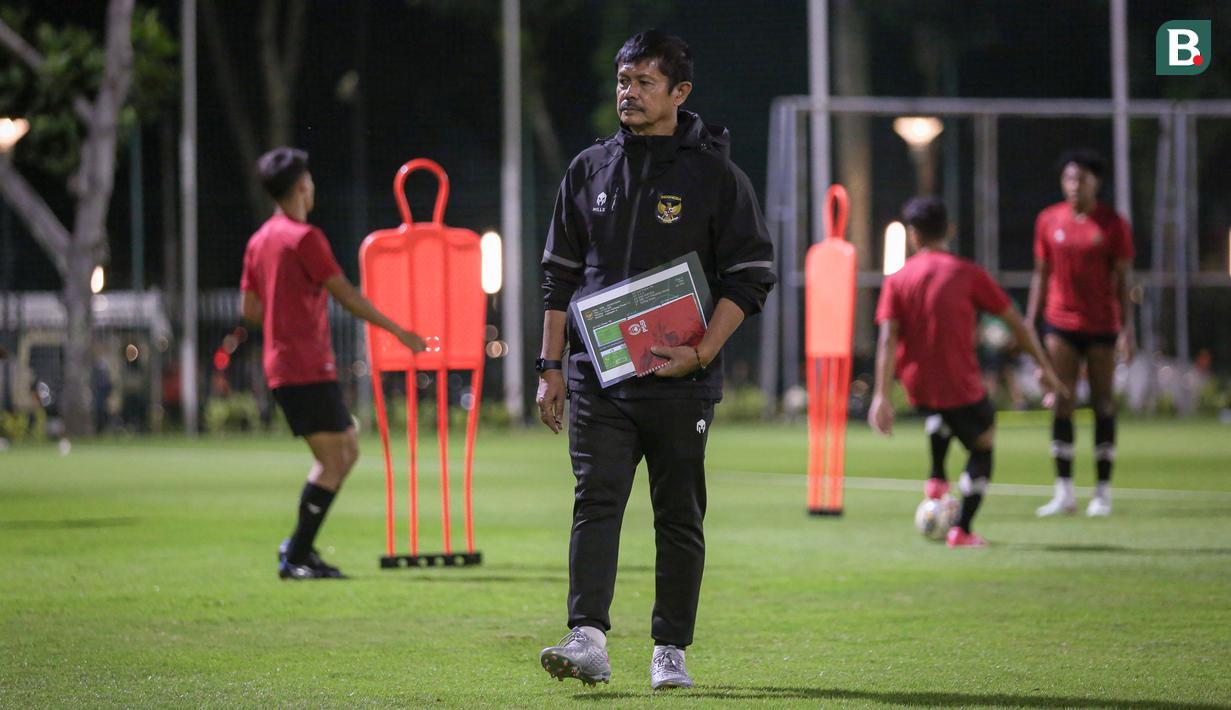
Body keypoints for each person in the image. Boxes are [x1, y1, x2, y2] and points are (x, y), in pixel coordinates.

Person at [535, 30, 775, 690]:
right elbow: (557, 276)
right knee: (596, 501)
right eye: (622, 80)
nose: (628, 93)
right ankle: (586, 638)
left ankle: (670, 649)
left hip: (680, 383)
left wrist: (700, 351)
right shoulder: (588, 169)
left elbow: (750, 276)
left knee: (677, 515)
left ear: (679, 93)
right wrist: (548, 366)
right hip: (598, 377)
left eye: (643, 82)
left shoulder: (715, 175)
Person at [240, 147, 425, 580]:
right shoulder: (304, 238)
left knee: (345, 449)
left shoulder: (259, 240)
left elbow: (248, 308)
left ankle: (300, 550)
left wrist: (282, 310)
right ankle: (297, 554)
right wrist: (398, 331)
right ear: (302, 185)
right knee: (335, 458)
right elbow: (346, 293)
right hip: (304, 365)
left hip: (284, 366)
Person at [868, 197, 1065, 548]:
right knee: (983, 441)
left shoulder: (898, 280)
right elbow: (1017, 324)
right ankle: (962, 529)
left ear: (913, 236)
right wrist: (1044, 369)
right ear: (950, 230)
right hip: (958, 382)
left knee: (941, 414)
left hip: (918, 383)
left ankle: (936, 479)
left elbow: (887, 338)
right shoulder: (966, 272)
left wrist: (881, 395)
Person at [1026, 149, 1135, 518]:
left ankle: (1102, 492)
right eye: (1069, 179)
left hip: (1102, 325)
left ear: (1096, 183)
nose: (1074, 185)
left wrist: (1127, 329)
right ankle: (1064, 492)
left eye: (1082, 179)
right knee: (1062, 401)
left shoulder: (1112, 224)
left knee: (1103, 403)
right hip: (1060, 324)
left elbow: (1123, 280)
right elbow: (1041, 274)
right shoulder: (1048, 220)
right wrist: (1030, 322)